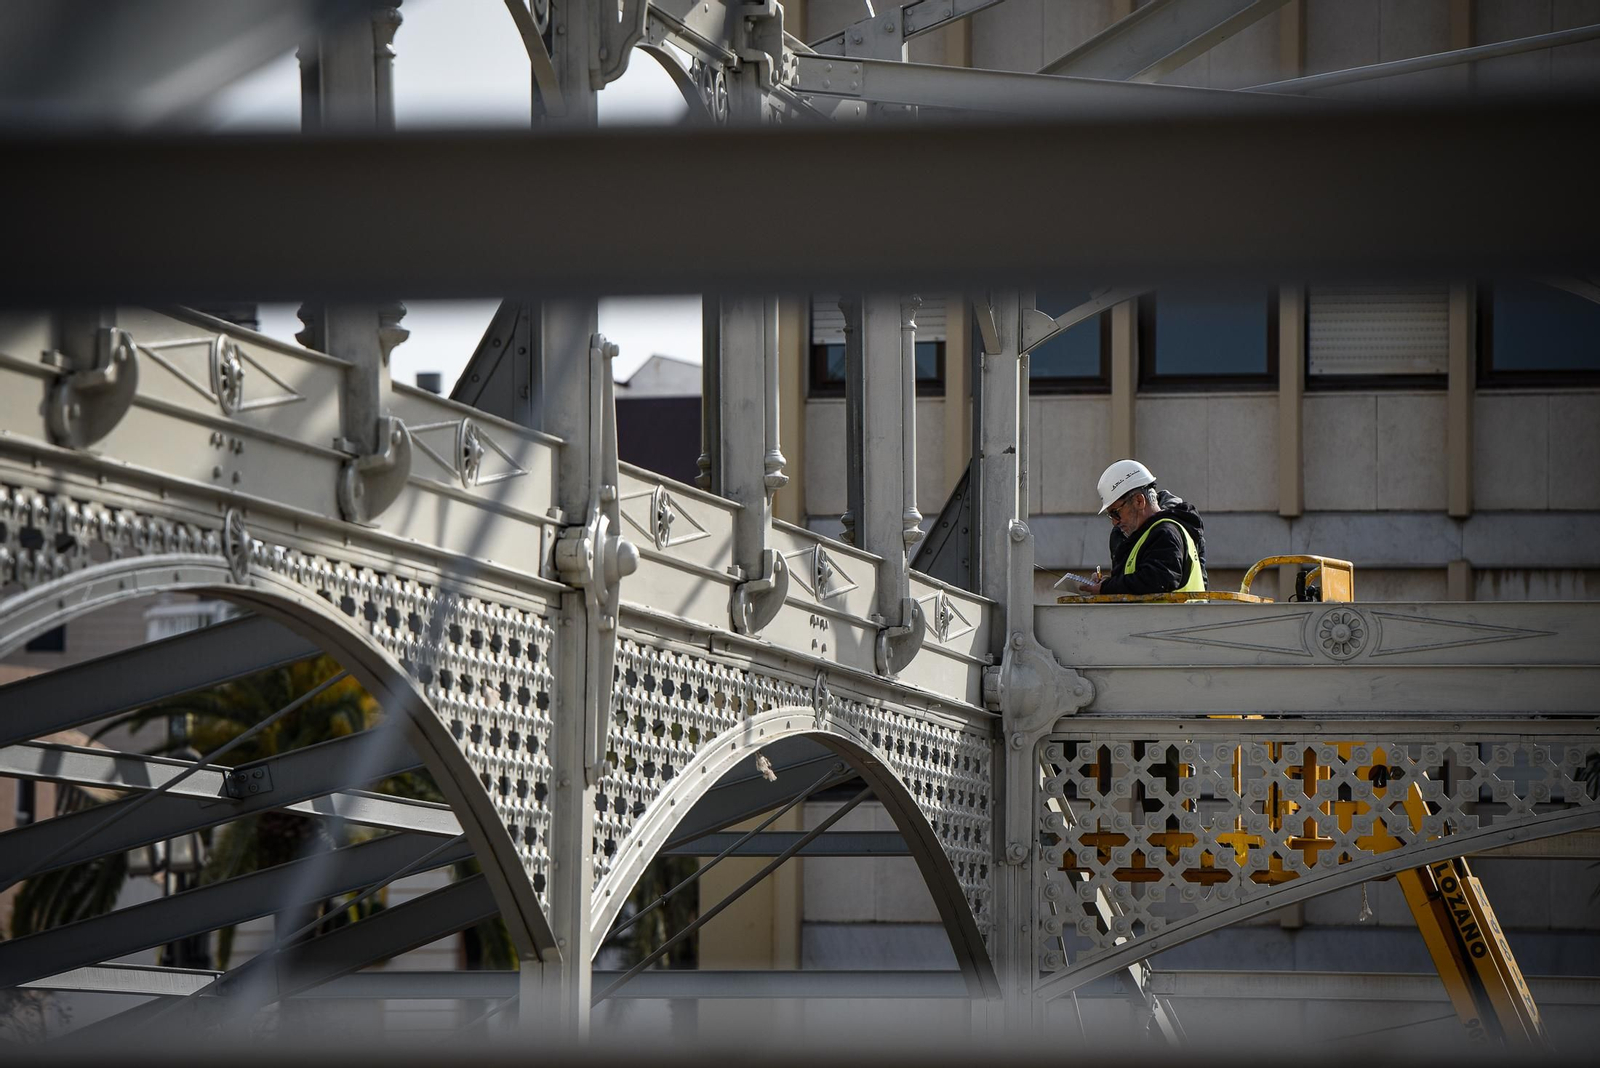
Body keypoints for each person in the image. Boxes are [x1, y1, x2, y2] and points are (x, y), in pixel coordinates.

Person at [1079, 459, 1206, 596]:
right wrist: (1109, 583)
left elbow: (1157, 581)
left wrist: (1107, 587)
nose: (1115, 522)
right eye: (1111, 516)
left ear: (1139, 501)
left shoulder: (1166, 533)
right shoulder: (1143, 536)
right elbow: (1141, 582)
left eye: (1116, 512)